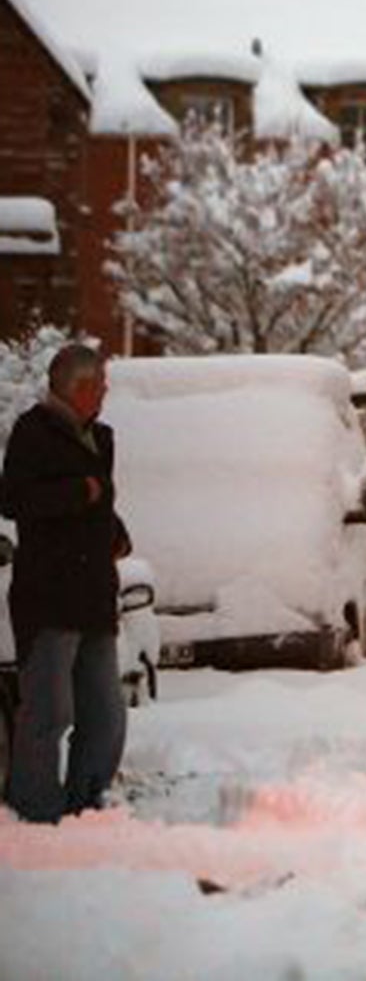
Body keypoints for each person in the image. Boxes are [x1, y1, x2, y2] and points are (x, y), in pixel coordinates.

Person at [1, 343, 130, 822]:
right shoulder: (33, 432)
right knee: (49, 711)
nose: (105, 394)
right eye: (99, 386)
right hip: (49, 597)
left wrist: (115, 533)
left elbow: (101, 505)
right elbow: (13, 500)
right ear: (76, 388)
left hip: (94, 594)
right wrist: (78, 492)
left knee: (104, 715)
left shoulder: (101, 437)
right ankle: (35, 808)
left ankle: (86, 806)